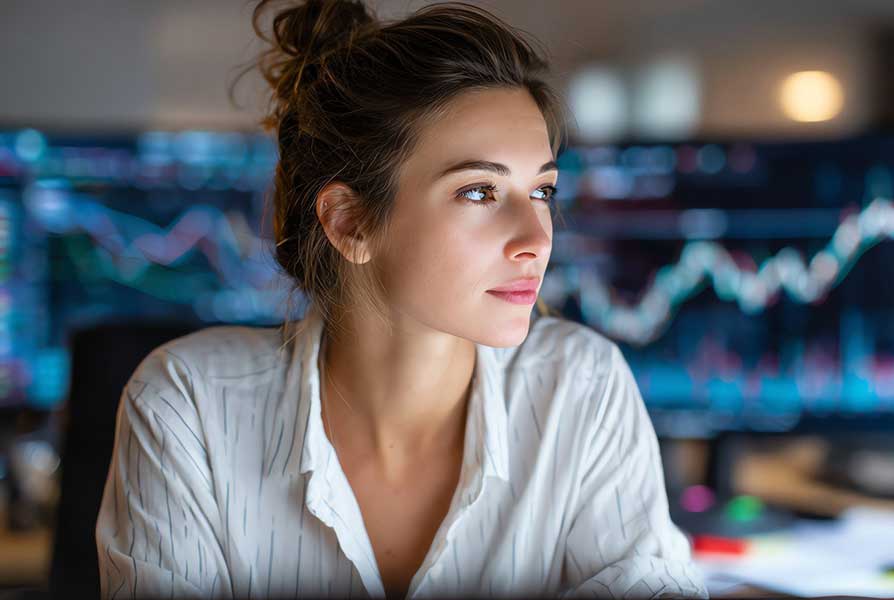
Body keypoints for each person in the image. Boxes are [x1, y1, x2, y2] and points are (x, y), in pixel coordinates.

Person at [94, 1, 710, 598]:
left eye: (542, 191)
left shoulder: (583, 388)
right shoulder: (188, 408)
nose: (536, 239)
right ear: (350, 223)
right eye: (478, 192)